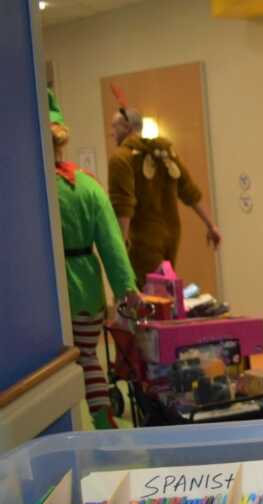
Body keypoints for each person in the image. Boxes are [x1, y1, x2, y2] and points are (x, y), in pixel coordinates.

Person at [48, 90, 141, 430]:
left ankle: (64, 430)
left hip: (49, 296)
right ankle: (103, 422)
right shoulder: (88, 187)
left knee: (52, 373)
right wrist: (126, 288)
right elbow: (112, 244)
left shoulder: (36, 190)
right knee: (88, 359)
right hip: (86, 289)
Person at [107, 106, 220, 287]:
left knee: (148, 297)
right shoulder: (164, 153)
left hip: (142, 239)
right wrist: (211, 225)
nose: (111, 133)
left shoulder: (122, 158)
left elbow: (123, 205)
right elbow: (189, 190)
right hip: (171, 236)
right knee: (165, 294)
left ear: (127, 127)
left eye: (115, 127)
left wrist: (120, 244)